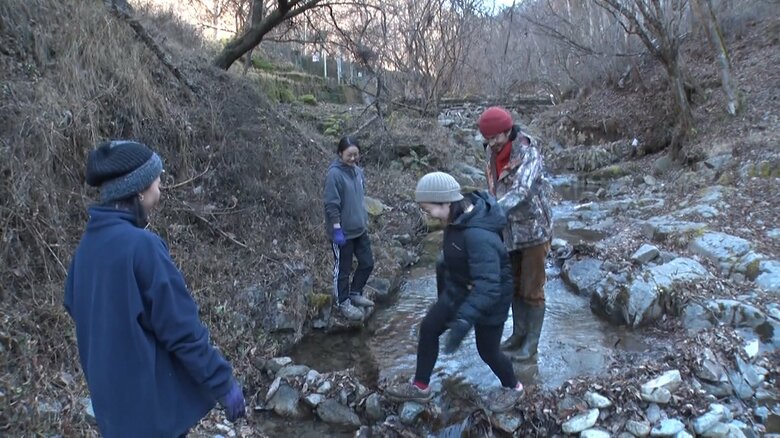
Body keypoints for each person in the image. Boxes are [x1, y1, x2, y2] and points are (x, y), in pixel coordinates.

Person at [64, 140, 245, 437]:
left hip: (113, 411)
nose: (160, 191)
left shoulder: (86, 249)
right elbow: (181, 329)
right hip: (152, 414)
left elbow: (77, 307)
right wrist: (222, 383)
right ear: (138, 190)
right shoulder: (142, 247)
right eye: (157, 183)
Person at [385, 172, 523, 412]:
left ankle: (514, 387)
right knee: (429, 328)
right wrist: (445, 297)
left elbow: (489, 286)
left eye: (430, 210)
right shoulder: (456, 219)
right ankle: (420, 386)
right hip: (459, 289)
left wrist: (463, 319)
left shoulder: (478, 235)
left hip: (492, 298)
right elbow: (454, 258)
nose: (428, 215)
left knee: (488, 352)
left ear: (446, 202)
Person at [477, 106, 553, 361]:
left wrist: (491, 212)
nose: (491, 143)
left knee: (532, 289)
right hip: (507, 232)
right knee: (513, 286)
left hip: (534, 230)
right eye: (487, 138)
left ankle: (531, 344)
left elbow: (521, 191)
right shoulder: (490, 152)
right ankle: (518, 335)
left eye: (495, 138)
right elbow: (492, 187)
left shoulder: (527, 151)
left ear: (508, 131)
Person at [323, 136, 375, 321]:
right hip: (343, 232)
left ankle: (355, 292)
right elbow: (331, 204)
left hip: (359, 230)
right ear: (340, 154)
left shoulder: (358, 172)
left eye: (356, 155)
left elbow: (359, 198)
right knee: (343, 269)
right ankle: (343, 302)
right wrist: (337, 228)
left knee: (367, 262)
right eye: (349, 155)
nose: (353, 158)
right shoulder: (334, 175)